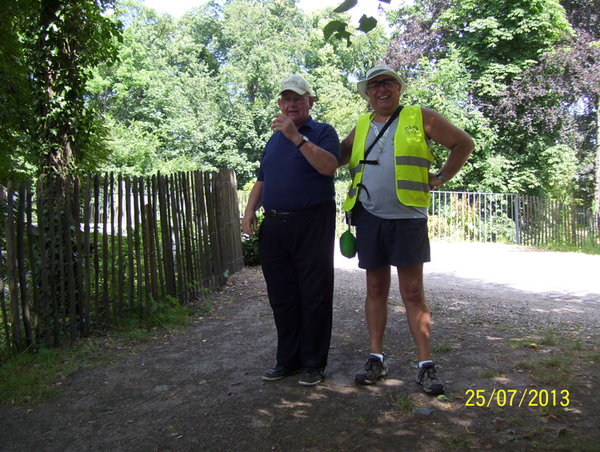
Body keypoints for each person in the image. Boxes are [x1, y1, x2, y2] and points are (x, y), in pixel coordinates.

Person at [339, 65, 474, 394]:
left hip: (408, 219)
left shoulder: (420, 116)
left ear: (399, 88)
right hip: (368, 218)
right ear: (367, 94)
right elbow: (333, 159)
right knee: (375, 290)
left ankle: (425, 365)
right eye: (374, 85)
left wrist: (441, 178)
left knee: (413, 293)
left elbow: (463, 144)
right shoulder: (360, 126)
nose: (381, 89)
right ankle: (376, 358)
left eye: (388, 83)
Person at [242, 75, 340, 386]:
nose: (292, 103)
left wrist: (296, 136)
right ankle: (288, 360)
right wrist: (248, 211)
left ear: (311, 101)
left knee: (314, 294)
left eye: (298, 98)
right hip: (274, 225)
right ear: (280, 104)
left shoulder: (323, 132)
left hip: (312, 222)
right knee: (282, 296)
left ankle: (313, 363)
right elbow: (262, 179)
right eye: (286, 98)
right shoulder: (273, 139)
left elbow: (328, 167)